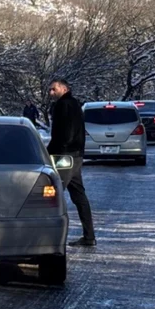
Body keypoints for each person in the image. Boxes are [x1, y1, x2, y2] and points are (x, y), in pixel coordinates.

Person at [46, 79, 96, 247]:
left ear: (64, 88)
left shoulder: (63, 105)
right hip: (76, 155)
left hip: (65, 156)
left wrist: (52, 151)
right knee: (78, 195)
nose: (51, 93)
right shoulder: (75, 104)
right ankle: (89, 236)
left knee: (52, 195)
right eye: (50, 90)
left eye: (54, 89)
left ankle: (51, 240)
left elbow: (64, 134)